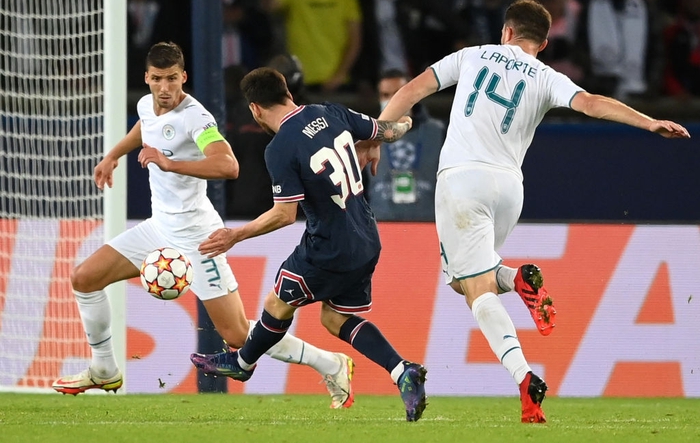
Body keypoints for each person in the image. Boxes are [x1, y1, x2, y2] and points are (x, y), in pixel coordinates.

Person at [369, 0, 689, 423]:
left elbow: (410, 92)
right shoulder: (546, 76)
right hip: (509, 189)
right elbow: (592, 103)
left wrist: (375, 137)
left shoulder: (471, 56)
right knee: (466, 282)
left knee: (476, 292)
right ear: (541, 43)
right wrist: (649, 122)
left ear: (506, 32)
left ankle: (523, 377)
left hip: (462, 180)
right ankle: (515, 279)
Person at [52, 42, 357, 410]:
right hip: (157, 229)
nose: (165, 88)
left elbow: (228, 165)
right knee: (84, 278)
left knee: (238, 336)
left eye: (172, 79)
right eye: (157, 79)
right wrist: (113, 155)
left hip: (198, 238)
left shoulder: (196, 118)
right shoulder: (147, 103)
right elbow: (145, 126)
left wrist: (169, 163)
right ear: (146, 78)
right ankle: (104, 369)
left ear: (184, 77)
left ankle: (331, 363)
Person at [190, 67, 428, 422]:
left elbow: (284, 215)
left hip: (327, 247)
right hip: (366, 237)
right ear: (287, 92)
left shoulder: (280, 147)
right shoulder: (329, 111)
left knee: (277, 302)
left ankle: (241, 363)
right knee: (335, 318)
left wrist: (234, 235)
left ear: (255, 109)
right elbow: (387, 130)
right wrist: (403, 125)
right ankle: (401, 370)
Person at [368, 69, 446, 221]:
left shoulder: (440, 132)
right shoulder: (367, 135)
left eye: (398, 94)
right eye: (385, 95)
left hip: (430, 225)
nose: (391, 100)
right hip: (380, 226)